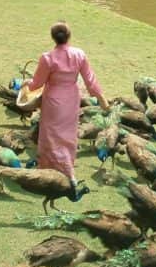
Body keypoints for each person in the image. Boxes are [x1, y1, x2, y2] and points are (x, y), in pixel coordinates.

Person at [27, 22, 109, 182]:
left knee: (51, 134)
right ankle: (67, 170)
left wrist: (26, 84)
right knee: (67, 135)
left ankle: (48, 170)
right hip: (71, 99)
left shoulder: (47, 58)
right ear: (69, 36)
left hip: (52, 101)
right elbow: (90, 80)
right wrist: (102, 100)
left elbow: (37, 83)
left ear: (53, 38)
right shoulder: (79, 54)